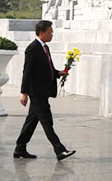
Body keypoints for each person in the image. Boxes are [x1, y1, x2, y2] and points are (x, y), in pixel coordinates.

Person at [14, 20, 75, 161]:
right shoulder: (33, 48)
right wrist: (24, 93)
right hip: (37, 92)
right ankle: (60, 150)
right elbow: (27, 72)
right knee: (47, 121)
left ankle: (20, 148)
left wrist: (58, 73)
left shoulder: (45, 48)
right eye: (49, 32)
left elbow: (47, 68)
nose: (51, 35)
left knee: (31, 121)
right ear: (41, 33)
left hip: (43, 91)